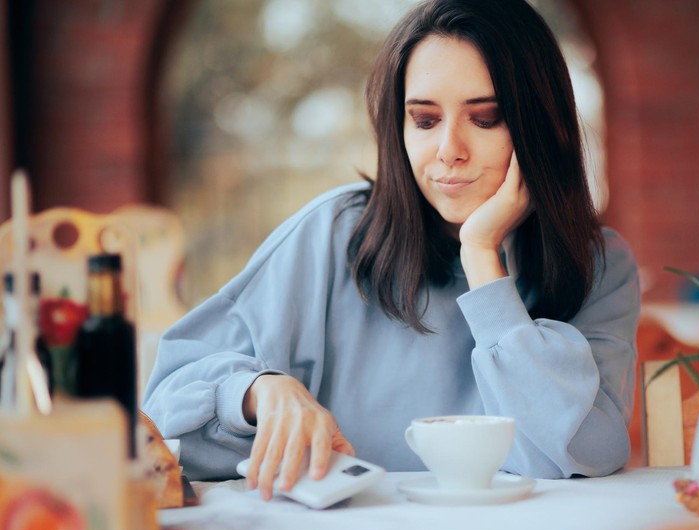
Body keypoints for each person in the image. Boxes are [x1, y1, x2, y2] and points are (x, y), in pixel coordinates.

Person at [143, 0, 640, 500]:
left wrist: (482, 259)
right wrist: (260, 393)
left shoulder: (599, 264)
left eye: (486, 118)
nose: (449, 149)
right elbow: (160, 417)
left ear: (542, 126)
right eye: (424, 121)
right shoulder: (334, 235)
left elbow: (584, 453)